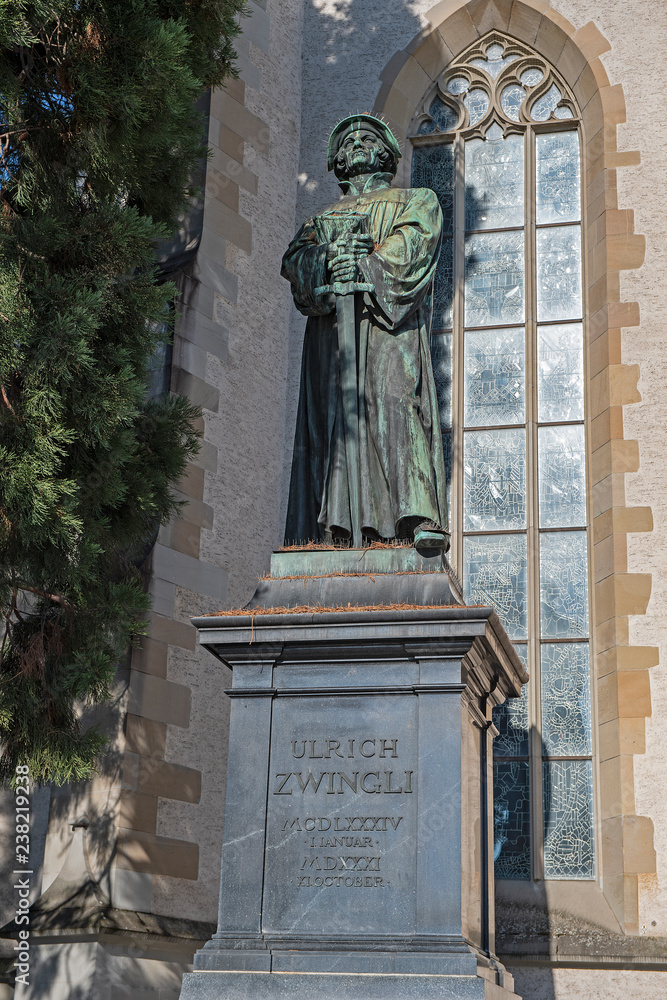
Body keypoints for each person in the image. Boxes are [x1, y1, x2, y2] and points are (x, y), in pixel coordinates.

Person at [282, 113, 449, 553]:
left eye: (368, 137)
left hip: (388, 328)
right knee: (334, 421)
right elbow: (295, 263)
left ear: (387, 154)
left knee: (396, 400)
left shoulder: (417, 199)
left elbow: (415, 244)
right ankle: (334, 529)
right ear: (337, 160)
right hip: (332, 334)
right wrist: (326, 263)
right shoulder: (318, 222)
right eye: (348, 140)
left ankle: (416, 519)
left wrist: (362, 266)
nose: (357, 142)